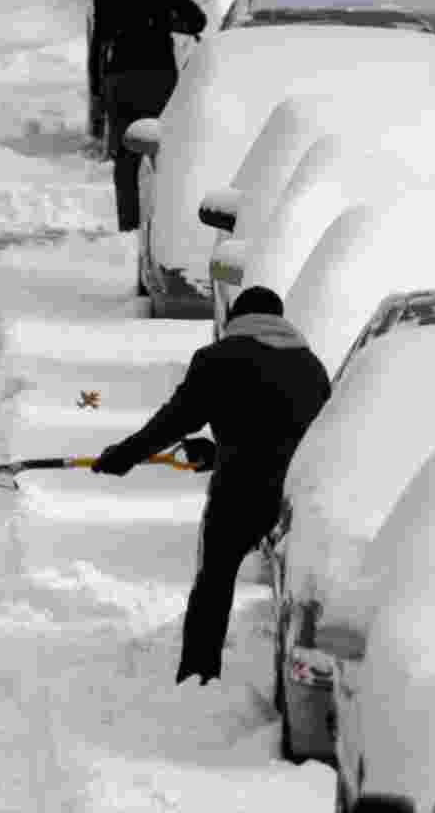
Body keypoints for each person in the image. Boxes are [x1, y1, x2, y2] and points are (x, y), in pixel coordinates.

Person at [92, 286, 331, 685]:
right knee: (293, 594)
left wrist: (125, 455)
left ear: (235, 319)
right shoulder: (310, 366)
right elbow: (291, 434)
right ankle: (303, 681)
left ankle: (199, 675)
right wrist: (219, 451)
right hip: (299, 491)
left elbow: (175, 421)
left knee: (216, 580)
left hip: (240, 490)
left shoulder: (219, 358)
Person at [88, 0, 207, 232]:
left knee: (126, 159)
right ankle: (162, 223)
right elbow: (197, 20)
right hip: (159, 77)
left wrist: (97, 92)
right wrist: (164, 20)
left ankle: (127, 225)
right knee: (161, 153)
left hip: (121, 79)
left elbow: (99, 44)